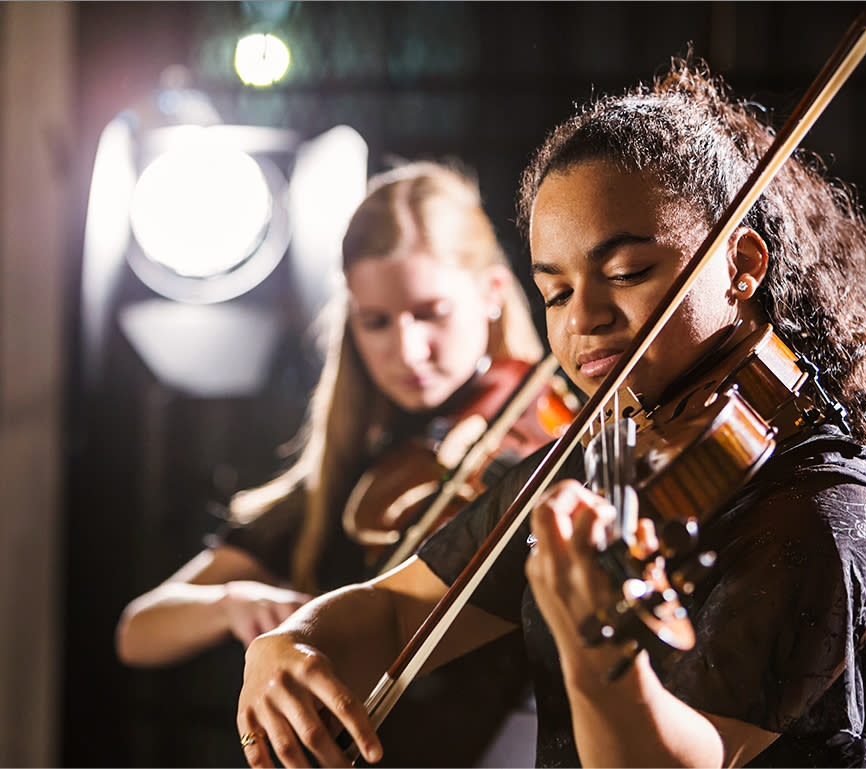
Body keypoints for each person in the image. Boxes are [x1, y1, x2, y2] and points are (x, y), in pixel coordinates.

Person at [234, 58, 866, 769]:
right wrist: (292, 641)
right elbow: (396, 608)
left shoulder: (821, 515)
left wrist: (597, 649)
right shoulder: (603, 457)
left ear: (741, 264)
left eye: (626, 273)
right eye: (554, 291)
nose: (585, 317)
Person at [115, 160, 555, 766]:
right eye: (376, 322)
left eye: (430, 312)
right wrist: (232, 604)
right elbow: (139, 630)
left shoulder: (552, 439)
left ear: (492, 296)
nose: (406, 349)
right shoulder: (346, 481)